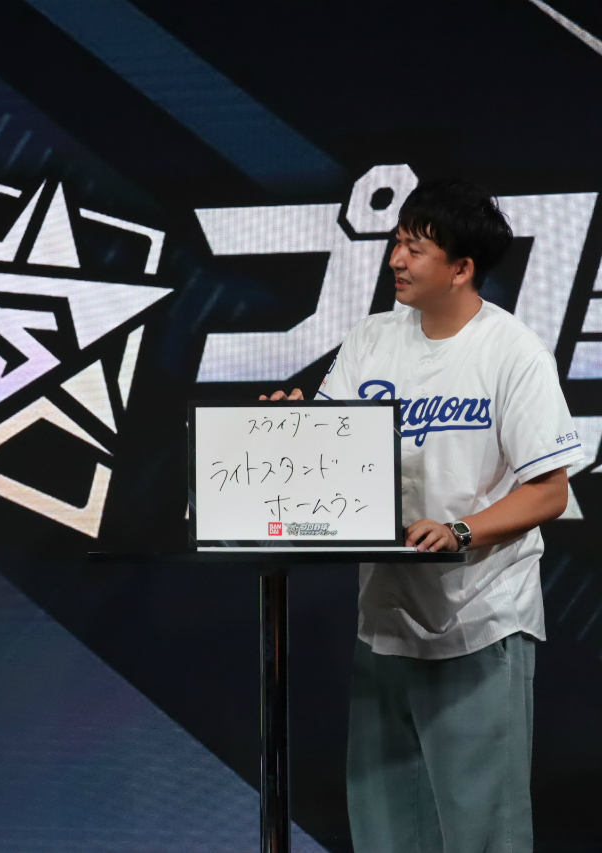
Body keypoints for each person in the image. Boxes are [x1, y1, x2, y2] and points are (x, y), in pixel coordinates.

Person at [262, 179, 582, 852]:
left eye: (415, 248)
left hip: (480, 616)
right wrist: (293, 422)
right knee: (385, 829)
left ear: (462, 268)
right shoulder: (373, 338)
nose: (396, 260)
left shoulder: (513, 350)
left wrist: (461, 531)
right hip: (386, 616)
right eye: (397, 243)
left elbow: (548, 492)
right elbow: (331, 447)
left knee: (482, 832)